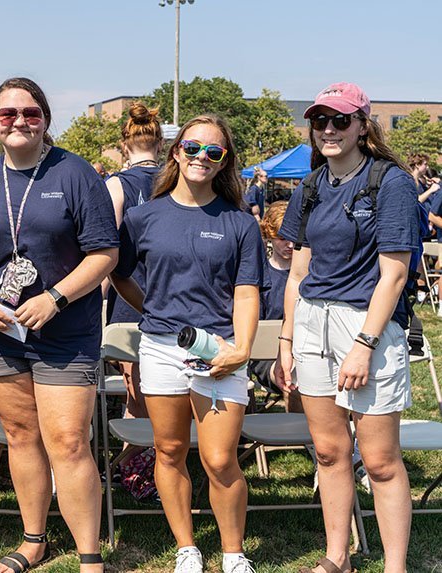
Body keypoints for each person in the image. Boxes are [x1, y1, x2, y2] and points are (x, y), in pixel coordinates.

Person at [0, 77, 118, 573]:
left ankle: (89, 555)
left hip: (66, 333)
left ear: (45, 118)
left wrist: (55, 297)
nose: (19, 122)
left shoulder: (75, 174)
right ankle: (34, 541)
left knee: (69, 441)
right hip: (0, 332)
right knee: (20, 434)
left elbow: (105, 254)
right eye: (8, 114)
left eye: (30, 113)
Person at [111, 114, 266, 573]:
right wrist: (154, 311)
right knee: (170, 450)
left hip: (220, 349)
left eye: (213, 152)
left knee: (220, 460)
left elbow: (247, 292)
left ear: (224, 163)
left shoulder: (240, 222)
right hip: (160, 348)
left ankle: (234, 553)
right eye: (193, 147)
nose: (202, 157)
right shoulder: (142, 217)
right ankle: (187, 548)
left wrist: (240, 350)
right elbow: (119, 275)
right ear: (176, 152)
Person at [276, 82, 418, 573]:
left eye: (340, 120)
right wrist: (287, 340)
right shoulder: (311, 186)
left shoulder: (390, 181)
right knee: (330, 452)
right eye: (320, 121)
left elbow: (395, 274)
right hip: (312, 321)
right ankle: (338, 557)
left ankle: (394, 566)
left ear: (363, 125)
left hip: (366, 324)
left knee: (379, 460)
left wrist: (364, 344)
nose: (329, 130)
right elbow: (297, 272)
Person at [104, 101, 163, 425]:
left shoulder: (116, 184)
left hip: (129, 294)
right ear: (161, 144)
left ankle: (134, 466)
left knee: (136, 393)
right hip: (169, 290)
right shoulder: (176, 182)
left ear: (124, 145)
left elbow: (107, 249)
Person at [245, 201, 303, 412]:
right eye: (282, 238)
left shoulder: (311, 275)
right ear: (269, 235)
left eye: (294, 239)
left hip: (305, 350)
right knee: (292, 378)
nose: (289, 245)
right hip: (267, 357)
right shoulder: (259, 277)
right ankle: (298, 434)